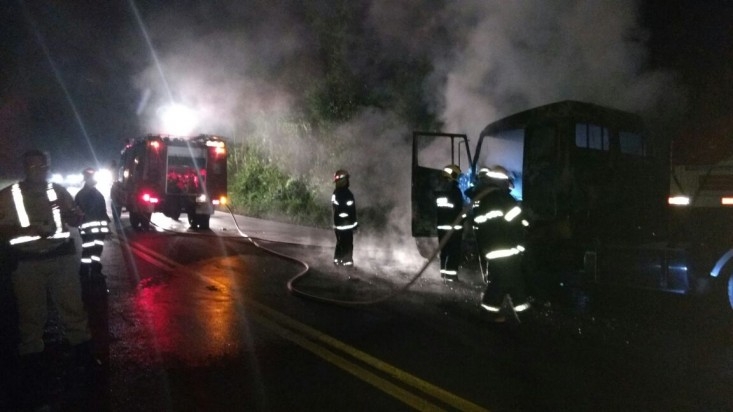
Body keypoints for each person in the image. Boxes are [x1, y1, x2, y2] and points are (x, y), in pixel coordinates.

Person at [0, 150, 96, 408]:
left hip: (61, 259)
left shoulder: (58, 191)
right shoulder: (9, 195)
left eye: (43, 165)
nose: (38, 170)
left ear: (48, 167)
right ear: (25, 167)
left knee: (72, 309)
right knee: (31, 316)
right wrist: (23, 229)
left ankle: (84, 359)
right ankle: (32, 369)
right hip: (27, 263)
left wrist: (74, 215)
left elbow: (75, 217)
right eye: (33, 165)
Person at [469, 166, 531, 322]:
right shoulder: (503, 200)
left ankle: (521, 315)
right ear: (501, 182)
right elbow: (515, 224)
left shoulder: (486, 200)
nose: (508, 186)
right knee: (505, 282)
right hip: (506, 248)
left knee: (509, 281)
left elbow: (482, 225)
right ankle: (490, 315)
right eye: (506, 183)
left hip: (494, 249)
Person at [75, 167, 111, 281]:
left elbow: (102, 212)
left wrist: (107, 227)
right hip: (89, 230)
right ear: (87, 178)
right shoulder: (84, 195)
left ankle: (94, 271)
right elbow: (82, 212)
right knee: (89, 251)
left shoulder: (95, 193)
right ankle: (85, 272)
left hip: (97, 230)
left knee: (96, 251)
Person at [435, 164, 465, 282]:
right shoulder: (455, 191)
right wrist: (466, 214)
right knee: (454, 252)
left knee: (445, 251)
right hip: (453, 227)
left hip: (442, 226)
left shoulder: (440, 189)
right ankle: (451, 276)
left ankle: (443, 274)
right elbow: (457, 210)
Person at [331, 169, 358, 267]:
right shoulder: (347, 194)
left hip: (337, 225)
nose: (348, 181)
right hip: (346, 225)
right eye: (347, 179)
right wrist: (355, 224)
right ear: (344, 180)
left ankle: (337, 261)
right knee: (348, 244)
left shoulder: (335, 193)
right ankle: (347, 263)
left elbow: (335, 208)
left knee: (340, 243)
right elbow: (351, 211)